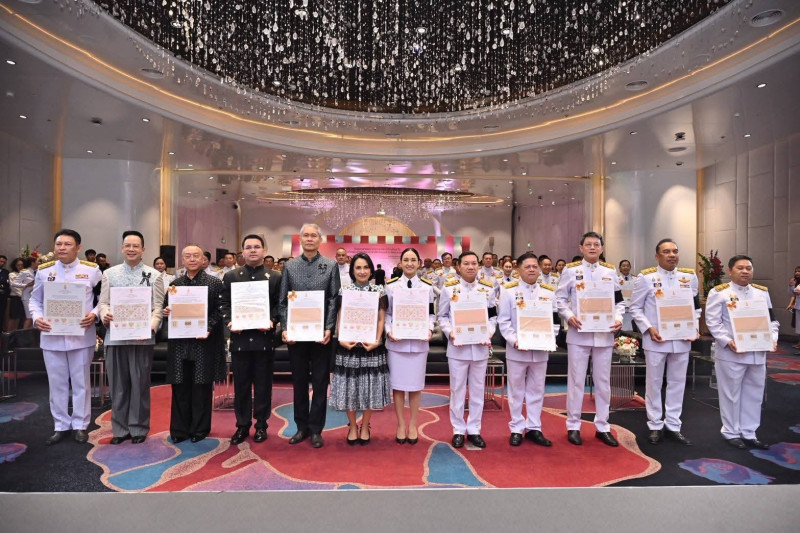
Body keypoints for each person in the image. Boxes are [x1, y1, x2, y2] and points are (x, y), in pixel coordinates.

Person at [29, 229, 102, 445]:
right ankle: (60, 425)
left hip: (81, 336)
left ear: (78, 247)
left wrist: (94, 314)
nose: (62, 248)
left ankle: (80, 425)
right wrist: (37, 318)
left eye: (67, 244)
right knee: (57, 383)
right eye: (58, 244)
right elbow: (35, 300)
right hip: (52, 336)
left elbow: (103, 299)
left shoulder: (92, 271)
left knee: (81, 383)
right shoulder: (44, 271)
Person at [555, 232, 625, 447]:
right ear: (581, 248)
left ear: (602, 248)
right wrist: (569, 316)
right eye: (588, 244)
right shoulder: (571, 271)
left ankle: (602, 425)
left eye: (596, 244)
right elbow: (560, 299)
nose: (592, 247)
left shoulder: (610, 272)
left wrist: (618, 318)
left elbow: (619, 302)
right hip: (579, 334)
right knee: (576, 381)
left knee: (603, 383)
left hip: (604, 335)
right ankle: (573, 425)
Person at [629, 239, 700, 446]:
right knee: (654, 382)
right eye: (666, 252)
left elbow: (695, 307)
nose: (672, 255)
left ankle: (673, 424)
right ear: (657, 256)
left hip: (682, 339)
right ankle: (655, 424)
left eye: (675, 251)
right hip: (656, 339)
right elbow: (635, 308)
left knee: (678, 383)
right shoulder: (646, 278)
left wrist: (694, 328)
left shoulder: (689, 277)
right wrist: (648, 328)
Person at [705, 255, 779, 450]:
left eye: (748, 268)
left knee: (754, 393)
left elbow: (772, 320)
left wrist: (773, 338)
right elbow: (713, 322)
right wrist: (726, 340)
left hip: (757, 352)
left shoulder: (761, 293)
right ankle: (731, 432)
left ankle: (749, 432)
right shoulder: (720, 293)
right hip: (732, 353)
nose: (745, 271)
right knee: (731, 394)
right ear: (730, 271)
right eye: (740, 268)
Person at [98, 231, 164, 445]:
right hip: (115, 337)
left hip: (142, 339)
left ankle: (138, 427)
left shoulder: (154, 275)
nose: (131, 249)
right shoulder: (110, 274)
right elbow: (103, 303)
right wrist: (105, 315)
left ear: (143, 249)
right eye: (128, 245)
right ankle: (119, 429)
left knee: (139, 384)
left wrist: (152, 327)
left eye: (136, 246)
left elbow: (158, 307)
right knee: (117, 385)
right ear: (122, 248)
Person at [278, 223, 340, 448]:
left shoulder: (330, 265)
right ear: (300, 239)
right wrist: (285, 328)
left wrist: (329, 327)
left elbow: (333, 299)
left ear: (320, 240)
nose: (310, 239)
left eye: (314, 235)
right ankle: (301, 427)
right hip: (296, 335)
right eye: (306, 235)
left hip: (321, 335)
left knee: (321, 383)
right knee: (299, 382)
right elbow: (283, 300)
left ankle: (316, 429)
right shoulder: (290, 266)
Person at [220, 235, 281, 445]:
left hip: (264, 339)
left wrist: (272, 320)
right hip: (240, 340)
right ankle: (242, 425)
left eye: (256, 247)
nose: (252, 250)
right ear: (242, 252)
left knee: (263, 386)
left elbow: (279, 304)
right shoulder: (231, 276)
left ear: (264, 251)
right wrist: (230, 322)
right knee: (242, 386)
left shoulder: (275, 277)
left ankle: (262, 425)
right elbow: (224, 304)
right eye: (248, 247)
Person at [162, 244, 226, 443]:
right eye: (187, 256)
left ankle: (200, 429)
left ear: (203, 259)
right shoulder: (175, 285)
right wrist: (167, 312)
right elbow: (166, 308)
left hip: (204, 343)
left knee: (201, 386)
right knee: (180, 386)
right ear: (182, 260)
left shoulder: (214, 283)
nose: (191, 259)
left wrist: (208, 327)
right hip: (180, 344)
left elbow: (221, 309)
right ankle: (179, 430)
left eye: (195, 256)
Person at [329, 253, 392, 445]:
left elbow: (381, 318)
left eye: (366, 267)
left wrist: (378, 341)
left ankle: (365, 425)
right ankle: (352, 426)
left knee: (369, 388)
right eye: (358, 267)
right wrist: (341, 338)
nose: (362, 271)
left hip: (371, 346)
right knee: (350, 388)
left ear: (371, 270)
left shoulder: (379, 290)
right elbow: (340, 316)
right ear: (352, 270)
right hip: (348, 346)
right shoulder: (345, 290)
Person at [438, 251, 497, 449]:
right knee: (457, 390)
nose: (470, 267)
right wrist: (450, 333)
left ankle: (474, 429)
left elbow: (493, 317)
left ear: (478, 266)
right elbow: (442, 316)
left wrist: (489, 333)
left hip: (480, 347)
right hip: (458, 348)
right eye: (466, 263)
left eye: (473, 263)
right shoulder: (449, 289)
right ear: (459, 266)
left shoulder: (487, 289)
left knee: (478, 390)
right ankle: (457, 430)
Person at [497, 252, 555, 447]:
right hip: (517, 350)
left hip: (540, 350)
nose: (532, 270)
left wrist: (551, 338)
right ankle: (516, 427)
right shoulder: (508, 291)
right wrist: (515, 341)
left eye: (534, 267)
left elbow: (554, 320)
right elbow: (503, 321)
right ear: (518, 270)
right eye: (527, 267)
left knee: (537, 390)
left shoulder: (548, 292)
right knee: (516, 391)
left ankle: (534, 428)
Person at [385, 248, 436, 445]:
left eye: (413, 260)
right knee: (398, 387)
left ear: (419, 263)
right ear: (400, 263)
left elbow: (431, 314)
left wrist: (429, 329)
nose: (409, 263)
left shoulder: (427, 287)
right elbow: (387, 313)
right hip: (397, 343)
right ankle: (400, 424)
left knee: (415, 386)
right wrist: (389, 330)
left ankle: (413, 424)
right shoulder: (391, 286)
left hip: (418, 343)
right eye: (406, 260)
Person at [8, 257, 32, 331]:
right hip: (16, 298)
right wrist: (23, 294)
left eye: (22, 265)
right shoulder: (12, 274)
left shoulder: (27, 273)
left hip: (26, 298)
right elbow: (14, 287)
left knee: (24, 317)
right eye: (18, 265)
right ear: (15, 265)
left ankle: (20, 334)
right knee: (13, 317)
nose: (20, 267)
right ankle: (9, 335)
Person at [787, 266, 800, 353]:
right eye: (796, 271)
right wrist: (791, 285)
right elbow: (792, 294)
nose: (797, 273)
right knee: (798, 326)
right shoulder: (796, 282)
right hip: (798, 307)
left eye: (799, 271)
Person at [0, 255, 9, 332]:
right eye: (1, 261)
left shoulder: (6, 272)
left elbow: (7, 284)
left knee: (1, 314)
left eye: (4, 262)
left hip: (2, 297)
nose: (2, 263)